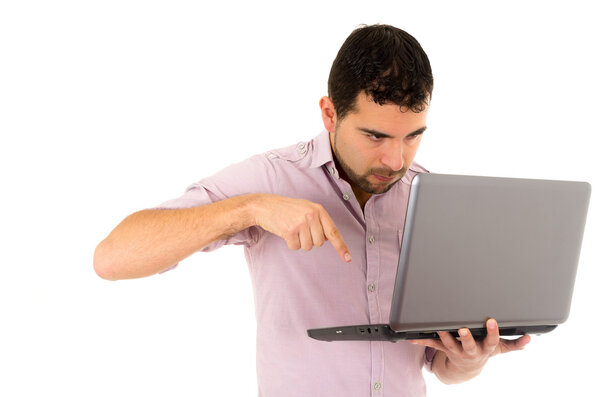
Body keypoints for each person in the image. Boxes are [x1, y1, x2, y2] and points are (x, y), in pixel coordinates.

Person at [94, 24, 530, 396]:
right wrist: (250, 208)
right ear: (328, 112)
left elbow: (438, 364)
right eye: (376, 136)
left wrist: (470, 360)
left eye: (412, 136)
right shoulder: (270, 180)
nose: (396, 161)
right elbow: (112, 259)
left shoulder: (428, 195)